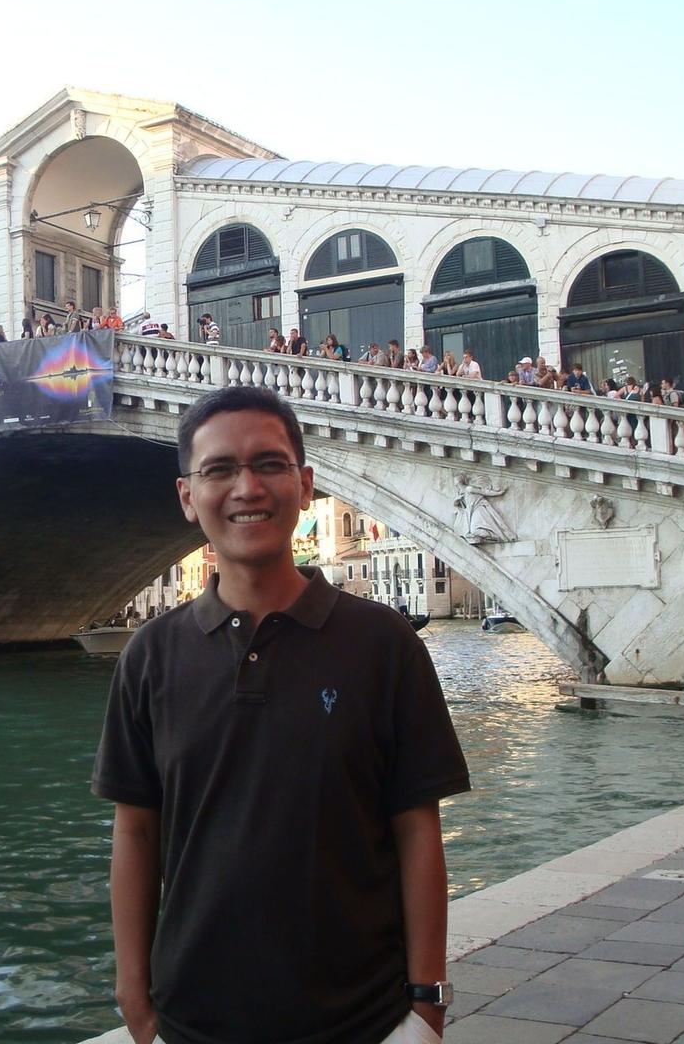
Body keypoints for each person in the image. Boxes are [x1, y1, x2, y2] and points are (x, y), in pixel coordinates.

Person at [92, 385, 469, 1044]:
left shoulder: (385, 646)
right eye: (219, 470)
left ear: (305, 484)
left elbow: (417, 831)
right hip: (192, 1021)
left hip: (363, 1021)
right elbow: (136, 835)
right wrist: (134, 993)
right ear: (188, 497)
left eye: (268, 465)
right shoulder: (149, 655)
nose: (247, 488)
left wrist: (427, 1001)